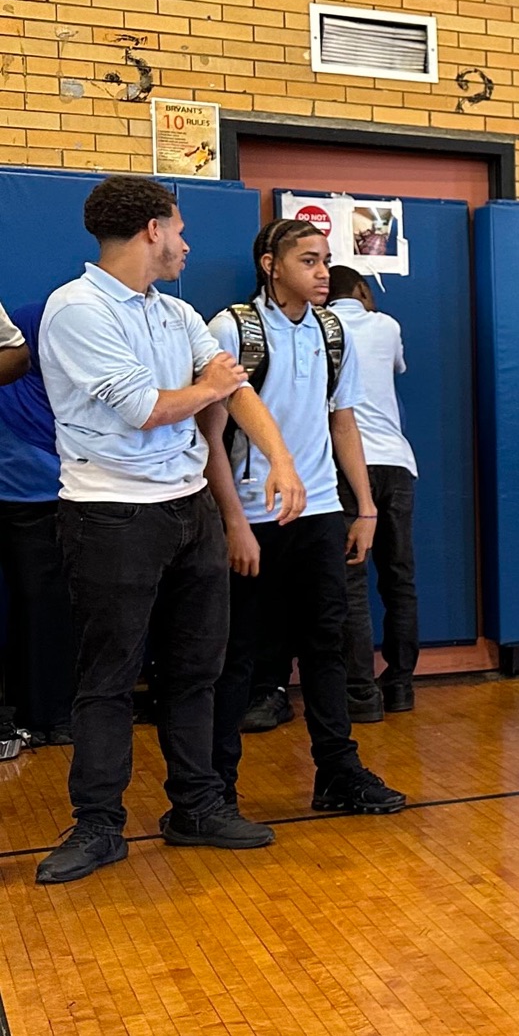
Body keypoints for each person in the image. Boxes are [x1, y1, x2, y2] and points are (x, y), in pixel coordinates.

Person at [35, 175, 304, 885]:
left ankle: (197, 806)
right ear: (152, 230)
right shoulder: (77, 309)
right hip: (110, 514)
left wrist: (280, 460)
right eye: (179, 228)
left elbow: (235, 390)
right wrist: (211, 387)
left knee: (197, 670)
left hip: (191, 511)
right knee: (110, 677)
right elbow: (144, 408)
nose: (186, 242)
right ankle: (97, 824)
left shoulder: (174, 312)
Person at [201, 219, 407, 818]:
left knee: (327, 645)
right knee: (239, 653)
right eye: (309, 261)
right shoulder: (232, 328)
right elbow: (211, 434)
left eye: (325, 261)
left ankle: (337, 772)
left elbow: (344, 421)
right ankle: (217, 788)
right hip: (254, 517)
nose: (322, 273)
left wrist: (362, 506)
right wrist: (234, 520)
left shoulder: (332, 331)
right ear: (271, 264)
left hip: (319, 510)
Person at [326, 266, 421, 719]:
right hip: (397, 464)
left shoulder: (320, 328)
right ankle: (401, 685)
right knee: (400, 580)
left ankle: (360, 694)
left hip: (347, 465)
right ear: (362, 291)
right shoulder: (386, 326)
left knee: (352, 583)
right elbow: (398, 367)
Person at [0, 298, 79, 750]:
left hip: (43, 493)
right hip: (28, 486)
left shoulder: (40, 320)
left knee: (46, 606)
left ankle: (50, 713)